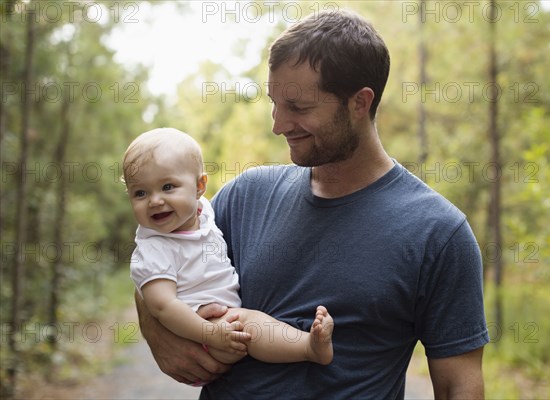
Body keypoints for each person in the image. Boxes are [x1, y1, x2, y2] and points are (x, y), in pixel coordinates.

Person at [136, 9, 489, 399]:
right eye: (274, 103)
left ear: (359, 103)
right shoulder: (246, 196)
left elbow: (460, 384)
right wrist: (153, 330)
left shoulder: (438, 233)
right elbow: (159, 259)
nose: (278, 124)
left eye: (298, 108)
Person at [123, 127, 334, 376]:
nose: (155, 200)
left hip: (216, 318)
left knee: (245, 321)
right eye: (140, 193)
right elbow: (162, 306)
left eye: (168, 186)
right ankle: (308, 348)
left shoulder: (204, 213)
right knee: (246, 325)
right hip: (201, 331)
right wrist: (209, 333)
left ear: (200, 186)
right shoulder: (154, 248)